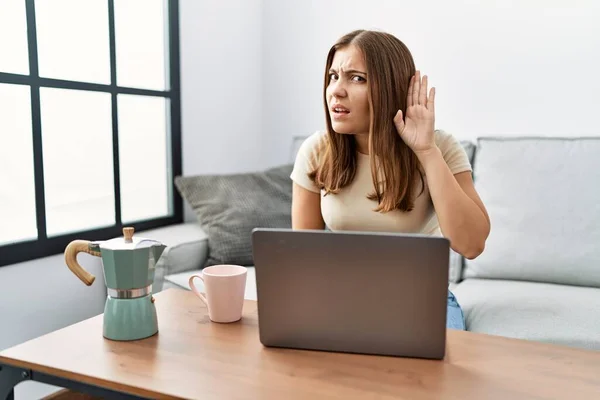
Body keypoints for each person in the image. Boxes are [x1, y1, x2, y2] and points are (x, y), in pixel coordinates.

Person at [290, 29, 491, 330]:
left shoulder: (440, 148)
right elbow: (305, 257)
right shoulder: (317, 151)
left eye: (357, 78)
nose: (336, 91)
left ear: (390, 88)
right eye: (333, 76)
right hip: (342, 296)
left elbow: (471, 244)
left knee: (434, 373)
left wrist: (426, 151)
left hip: (421, 298)